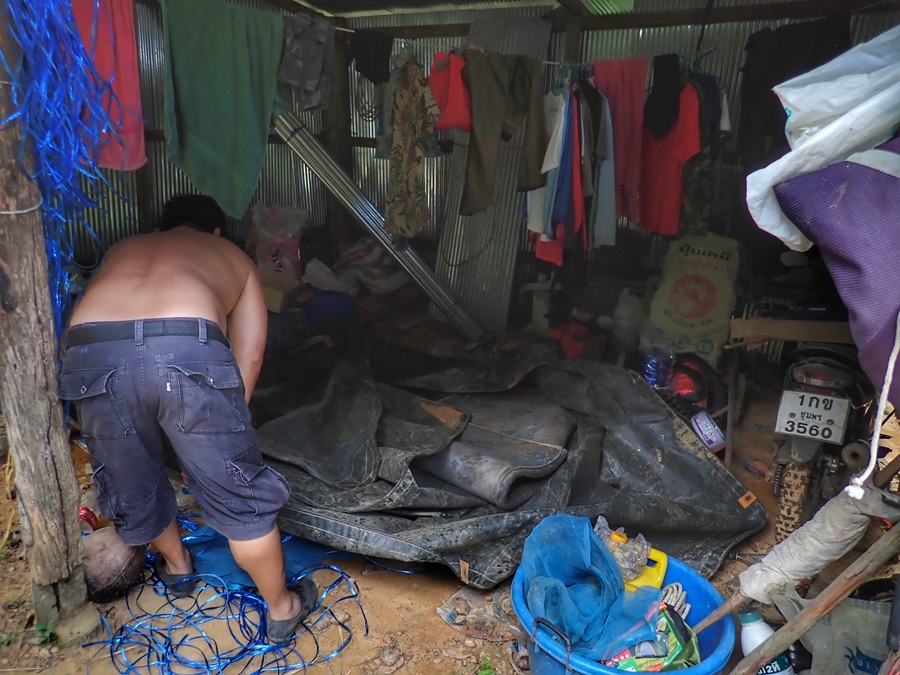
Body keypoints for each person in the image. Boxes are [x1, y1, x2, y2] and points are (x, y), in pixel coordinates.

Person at [58, 194, 315, 644]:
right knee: (239, 494)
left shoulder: (123, 248)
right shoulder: (232, 255)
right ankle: (281, 607)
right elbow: (249, 356)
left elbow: (75, 330)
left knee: (132, 481)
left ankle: (178, 571)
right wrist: (222, 431)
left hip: (92, 350)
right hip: (184, 344)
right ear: (215, 232)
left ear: (162, 226)